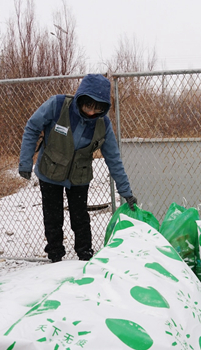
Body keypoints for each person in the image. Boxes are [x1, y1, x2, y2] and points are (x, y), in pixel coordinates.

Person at [18, 73, 137, 262]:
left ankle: (85, 255)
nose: (91, 112)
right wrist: (25, 161)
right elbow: (32, 127)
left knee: (80, 218)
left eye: (98, 108)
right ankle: (55, 256)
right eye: (88, 106)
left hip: (79, 177)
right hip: (50, 171)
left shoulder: (103, 124)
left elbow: (113, 158)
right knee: (53, 217)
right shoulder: (57, 105)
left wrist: (126, 192)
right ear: (80, 98)